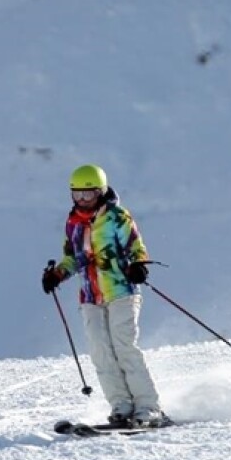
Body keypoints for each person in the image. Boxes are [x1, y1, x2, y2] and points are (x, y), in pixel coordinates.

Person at [42, 164, 166, 428]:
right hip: (90, 296)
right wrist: (57, 275)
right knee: (100, 351)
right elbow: (73, 258)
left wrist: (138, 264)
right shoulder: (73, 222)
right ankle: (121, 405)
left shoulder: (117, 216)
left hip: (121, 290)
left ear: (101, 191)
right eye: (78, 194)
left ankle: (148, 406)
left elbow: (136, 245)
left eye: (90, 194)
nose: (84, 200)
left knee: (124, 347)